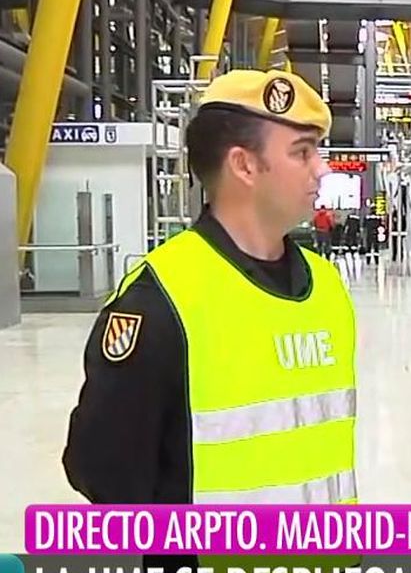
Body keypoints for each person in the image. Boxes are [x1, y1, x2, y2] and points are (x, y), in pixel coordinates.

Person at [62, 69, 359, 566]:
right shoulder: (161, 301)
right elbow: (102, 468)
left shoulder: (327, 289)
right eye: (302, 152)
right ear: (244, 165)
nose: (322, 169)